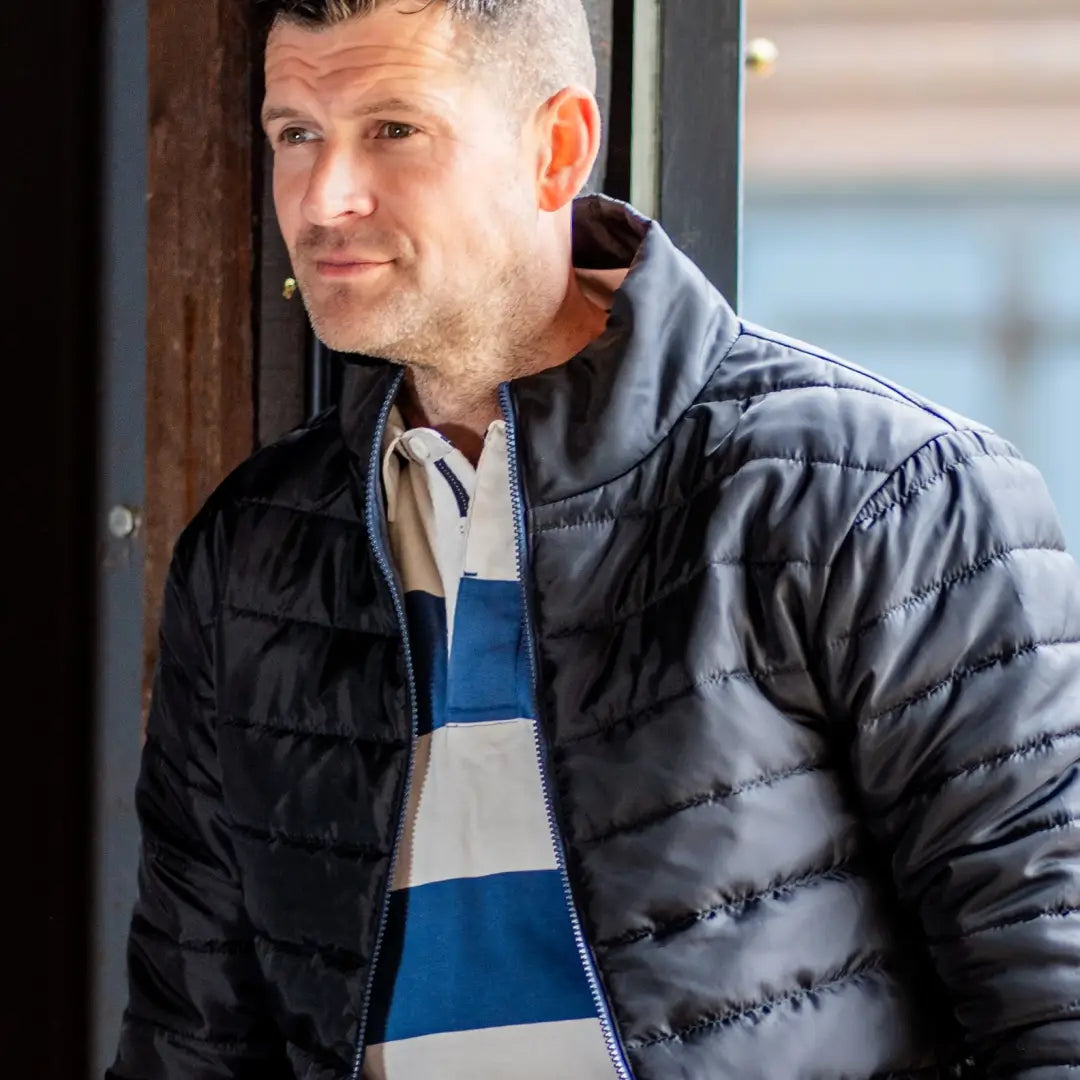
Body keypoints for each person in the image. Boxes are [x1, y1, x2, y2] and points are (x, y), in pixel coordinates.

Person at [109, 0, 1080, 1077]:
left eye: (394, 130)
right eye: (296, 133)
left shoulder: (884, 496)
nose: (325, 196)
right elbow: (189, 1044)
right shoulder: (254, 551)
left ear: (556, 148)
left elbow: (1052, 1002)